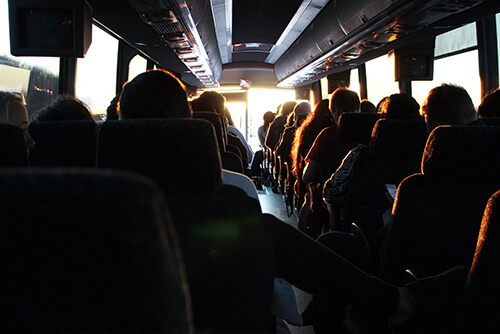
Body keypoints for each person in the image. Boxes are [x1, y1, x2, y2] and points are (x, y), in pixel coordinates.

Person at [117, 69, 463, 332]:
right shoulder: (235, 204)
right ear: (190, 124)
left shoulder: (78, 210)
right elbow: (276, 299)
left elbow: (313, 179)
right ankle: (399, 301)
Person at [302, 87, 360, 185]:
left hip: (332, 196)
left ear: (336, 110)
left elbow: (308, 176)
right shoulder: (372, 133)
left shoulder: (327, 135)